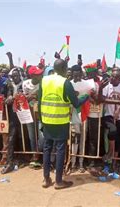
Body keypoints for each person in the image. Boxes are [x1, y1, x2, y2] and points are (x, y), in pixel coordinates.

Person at [39, 59, 89, 189]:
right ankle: (59, 181)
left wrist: (41, 120)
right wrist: (86, 96)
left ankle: (46, 179)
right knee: (60, 149)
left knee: (47, 148)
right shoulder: (65, 82)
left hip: (46, 120)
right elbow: (76, 103)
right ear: (64, 68)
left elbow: (39, 102)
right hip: (60, 121)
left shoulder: (44, 80)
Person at [98, 68, 120, 173]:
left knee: (118, 139)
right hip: (108, 115)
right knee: (112, 130)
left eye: (115, 77)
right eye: (111, 76)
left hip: (119, 117)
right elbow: (101, 99)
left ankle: (114, 161)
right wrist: (101, 88)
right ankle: (109, 153)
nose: (112, 78)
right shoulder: (107, 86)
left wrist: (119, 108)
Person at [22, 66, 45, 168]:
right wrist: (27, 97)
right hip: (29, 113)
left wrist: (35, 95)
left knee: (42, 137)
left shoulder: (44, 83)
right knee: (32, 137)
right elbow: (23, 98)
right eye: (38, 74)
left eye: (41, 73)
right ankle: (35, 157)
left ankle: (41, 154)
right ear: (32, 75)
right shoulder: (25, 84)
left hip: (41, 113)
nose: (40, 75)